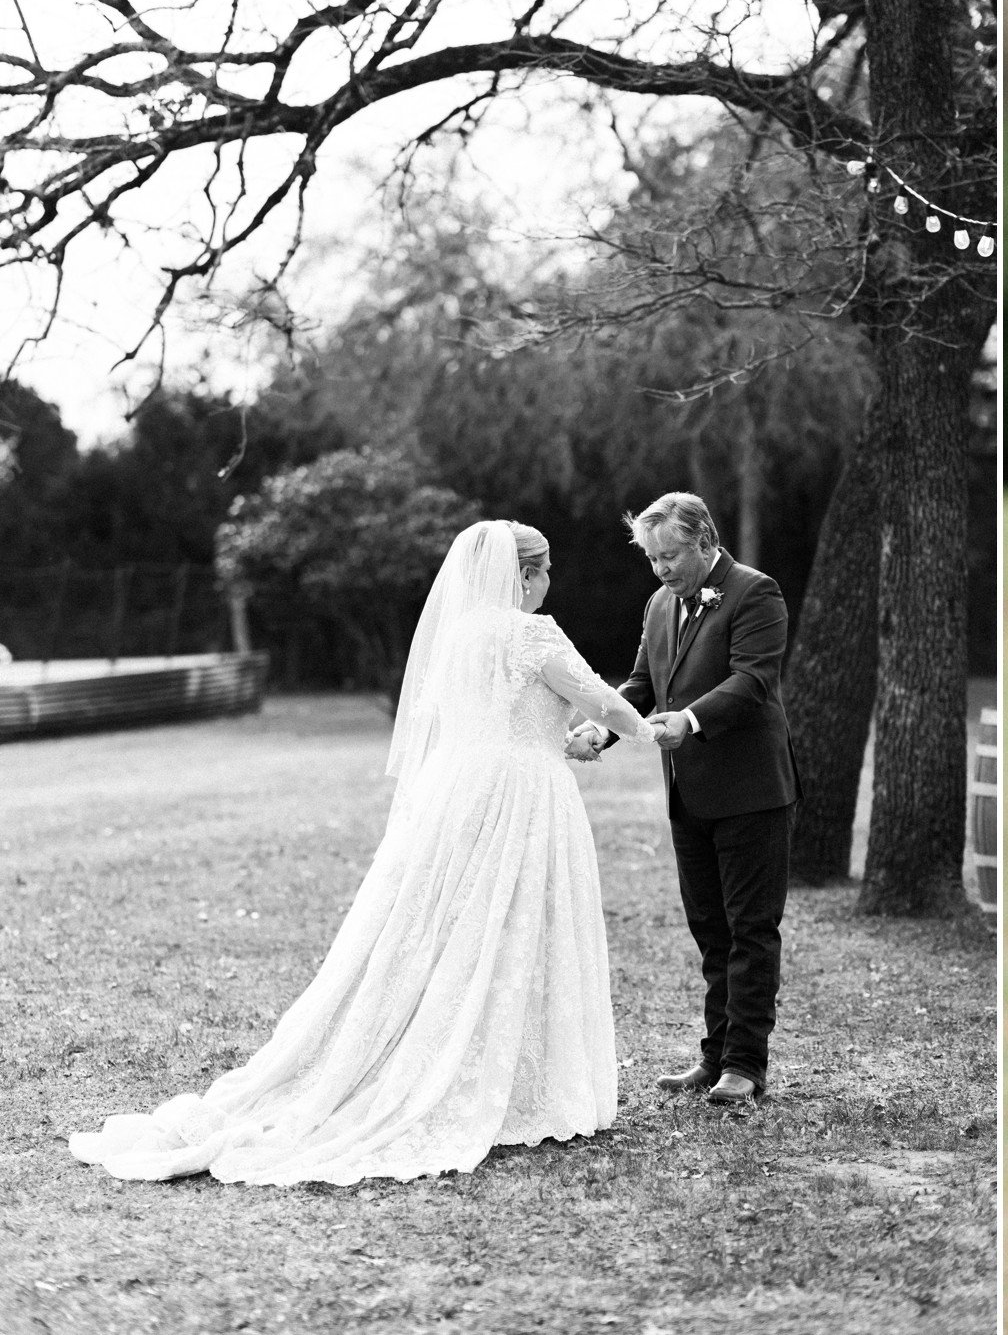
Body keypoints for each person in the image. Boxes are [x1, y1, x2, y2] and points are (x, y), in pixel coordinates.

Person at [71, 520, 669, 1184]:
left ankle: (476, 1062)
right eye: (545, 572)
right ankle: (510, 1081)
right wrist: (646, 730)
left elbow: (485, 725)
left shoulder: (455, 636)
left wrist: (558, 743)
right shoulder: (533, 632)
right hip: (522, 799)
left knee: (450, 927)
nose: (548, 585)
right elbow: (602, 704)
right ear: (525, 575)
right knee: (513, 925)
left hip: (458, 794)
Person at [568, 492, 796, 1108]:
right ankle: (715, 1055)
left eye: (669, 556)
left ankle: (746, 1066)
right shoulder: (658, 604)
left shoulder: (757, 593)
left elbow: (753, 681)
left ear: (703, 539)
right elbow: (642, 684)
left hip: (751, 790)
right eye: (652, 559)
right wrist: (602, 728)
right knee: (709, 930)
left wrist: (690, 721)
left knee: (751, 930)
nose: (661, 569)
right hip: (688, 793)